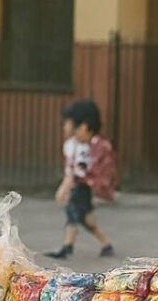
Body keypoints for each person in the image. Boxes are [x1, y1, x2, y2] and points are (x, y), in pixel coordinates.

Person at [47, 99, 117, 259]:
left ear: (84, 127)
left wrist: (65, 186)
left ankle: (67, 246)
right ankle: (105, 244)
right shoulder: (76, 144)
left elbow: (79, 171)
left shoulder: (93, 146)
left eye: (69, 125)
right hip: (81, 187)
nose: (65, 128)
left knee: (73, 211)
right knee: (86, 219)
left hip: (82, 187)